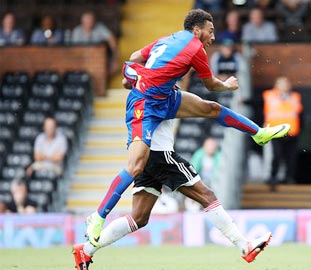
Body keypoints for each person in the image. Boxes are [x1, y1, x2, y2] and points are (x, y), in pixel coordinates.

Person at [84, 9, 289, 248]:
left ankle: (259, 133)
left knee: (211, 109)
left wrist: (133, 77)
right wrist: (228, 85)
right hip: (146, 104)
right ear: (197, 30)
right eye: (210, 31)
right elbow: (211, 85)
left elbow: (135, 55)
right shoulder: (194, 48)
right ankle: (97, 217)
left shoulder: (168, 38)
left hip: (165, 98)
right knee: (136, 164)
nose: (213, 37)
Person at [72, 120, 272, 270]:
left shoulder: (140, 89)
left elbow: (130, 76)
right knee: (207, 195)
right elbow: (212, 109)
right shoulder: (164, 88)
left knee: (139, 217)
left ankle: (86, 250)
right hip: (161, 155)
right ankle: (243, 245)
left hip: (142, 155)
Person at [263, 77, 303, 186]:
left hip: (291, 132)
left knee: (291, 157)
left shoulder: (295, 97)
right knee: (276, 155)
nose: (285, 86)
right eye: (282, 84)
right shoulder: (269, 96)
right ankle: (273, 177)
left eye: (286, 83)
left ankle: (288, 178)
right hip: (275, 132)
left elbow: (300, 114)